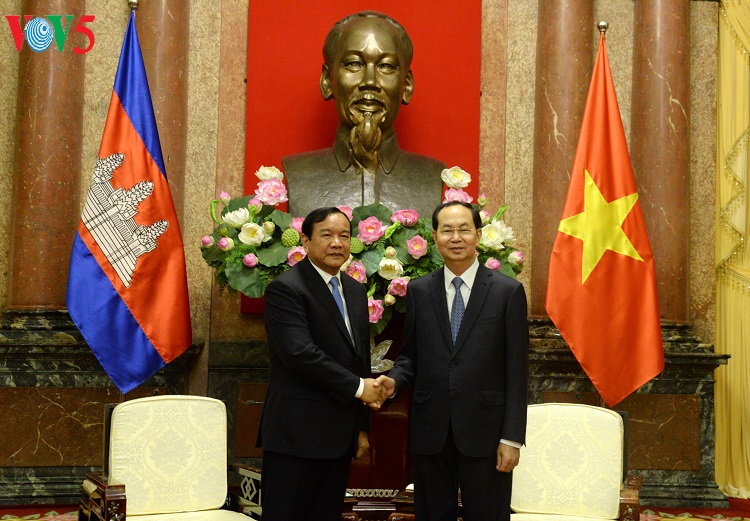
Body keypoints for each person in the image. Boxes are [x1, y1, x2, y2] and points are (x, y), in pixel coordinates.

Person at [375, 201, 529, 521]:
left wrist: (511, 438)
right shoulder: (419, 291)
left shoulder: (507, 292)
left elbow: (517, 371)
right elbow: (410, 355)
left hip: (486, 434)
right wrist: (394, 381)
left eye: (464, 230)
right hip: (431, 432)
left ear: (478, 235)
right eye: (447, 230)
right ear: (434, 237)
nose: (455, 238)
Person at [257, 207, 387, 521]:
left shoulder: (355, 291)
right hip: (295, 438)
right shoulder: (286, 289)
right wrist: (360, 389)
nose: (337, 243)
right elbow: (300, 355)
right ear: (305, 240)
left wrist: (361, 428)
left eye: (344, 236)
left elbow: (359, 360)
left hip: (339, 439)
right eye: (326, 235)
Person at [283, 11, 445, 218]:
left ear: (406, 85)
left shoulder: (433, 176)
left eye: (386, 66)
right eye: (354, 64)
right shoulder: (298, 173)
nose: (370, 81)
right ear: (327, 80)